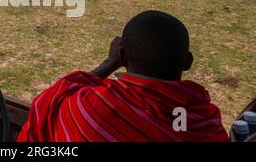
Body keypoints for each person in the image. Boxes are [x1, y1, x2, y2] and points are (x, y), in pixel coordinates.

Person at [18, 10, 229, 142]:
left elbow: (51, 100)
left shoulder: (88, 105)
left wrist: (109, 63)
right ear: (188, 62)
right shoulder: (206, 122)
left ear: (121, 56)